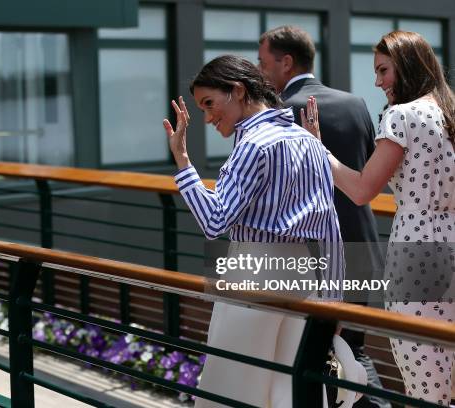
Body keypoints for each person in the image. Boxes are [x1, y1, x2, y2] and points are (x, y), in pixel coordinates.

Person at [162, 54, 344, 407]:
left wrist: (183, 163)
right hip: (303, 274)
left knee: (233, 382)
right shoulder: (308, 141)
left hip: (253, 271)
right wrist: (335, 300)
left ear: (238, 90)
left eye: (210, 104)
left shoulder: (251, 146)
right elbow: (329, 225)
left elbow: (214, 222)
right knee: (289, 388)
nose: (208, 117)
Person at [303, 30, 455, 405]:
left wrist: (318, 149)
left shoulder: (401, 116)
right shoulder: (448, 113)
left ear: (405, 67)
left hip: (417, 254)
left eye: (384, 70)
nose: (377, 81)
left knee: (425, 382)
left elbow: (360, 190)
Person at [258, 25, 389, 408]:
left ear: (286, 62)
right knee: (349, 350)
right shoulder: (355, 103)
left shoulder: (276, 113)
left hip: (312, 257)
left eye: (264, 64)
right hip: (363, 248)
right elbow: (366, 177)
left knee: (313, 358)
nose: (260, 72)